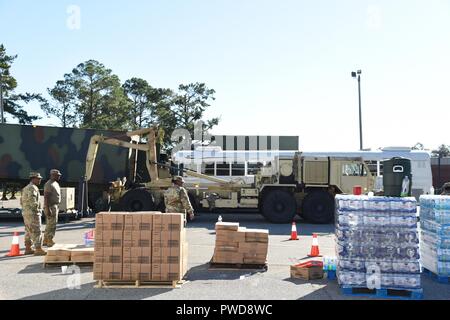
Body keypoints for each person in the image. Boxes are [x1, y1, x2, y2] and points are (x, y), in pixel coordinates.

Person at [20, 172, 46, 256]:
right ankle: (38, 249)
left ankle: (28, 248)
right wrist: (37, 210)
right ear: (33, 179)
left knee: (28, 230)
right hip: (33, 213)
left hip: (26, 212)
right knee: (36, 230)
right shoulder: (33, 188)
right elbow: (32, 201)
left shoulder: (26, 188)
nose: (40, 180)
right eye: (38, 179)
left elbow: (21, 201)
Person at [43, 169, 62, 247]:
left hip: (54, 206)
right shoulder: (49, 184)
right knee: (52, 224)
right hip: (51, 206)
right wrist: (47, 208)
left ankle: (45, 240)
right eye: (58, 175)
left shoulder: (55, 183)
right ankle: (49, 240)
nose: (59, 177)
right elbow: (46, 197)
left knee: (49, 224)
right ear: (53, 175)